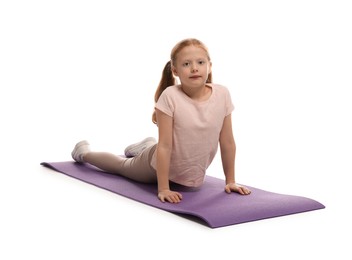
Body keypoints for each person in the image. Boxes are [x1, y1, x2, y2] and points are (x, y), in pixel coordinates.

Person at [71, 38, 251, 203]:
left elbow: (227, 141)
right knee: (122, 166)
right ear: (175, 70)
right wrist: (163, 188)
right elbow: (164, 146)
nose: (194, 68)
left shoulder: (222, 94)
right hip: (155, 167)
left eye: (200, 62)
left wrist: (231, 181)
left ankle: (146, 146)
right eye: (186, 64)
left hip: (182, 170)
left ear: (209, 66)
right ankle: (84, 153)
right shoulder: (170, 96)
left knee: (153, 148)